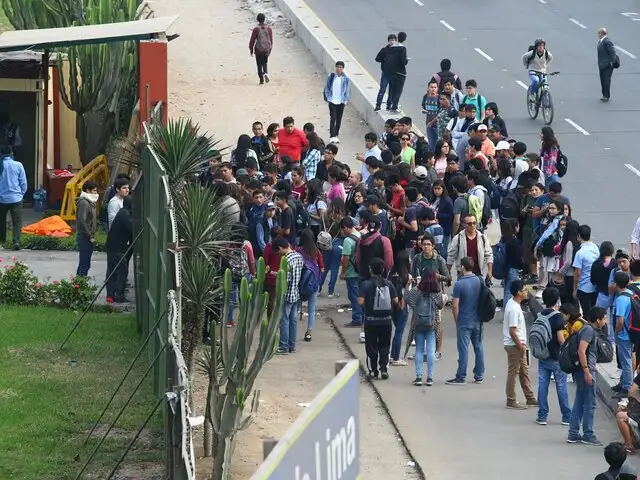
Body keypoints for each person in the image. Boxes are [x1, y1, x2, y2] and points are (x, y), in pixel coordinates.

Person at [567, 306, 608, 446]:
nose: (606, 320)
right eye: (604, 318)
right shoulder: (589, 330)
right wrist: (587, 372)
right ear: (598, 320)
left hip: (584, 370)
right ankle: (588, 434)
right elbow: (581, 351)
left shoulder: (586, 328)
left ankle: (573, 433)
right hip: (585, 371)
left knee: (580, 401)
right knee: (589, 404)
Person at [535, 287, 571, 426]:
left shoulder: (540, 315)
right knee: (561, 386)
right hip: (556, 356)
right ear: (557, 300)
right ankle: (566, 416)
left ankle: (542, 416)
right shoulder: (558, 317)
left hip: (543, 355)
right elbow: (561, 339)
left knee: (542, 385)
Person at [446, 256, 485, 385]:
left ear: (462, 267)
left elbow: (455, 305)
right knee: (478, 347)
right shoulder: (479, 280)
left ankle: (461, 376)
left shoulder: (459, 284)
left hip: (464, 320)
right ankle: (479, 374)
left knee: (463, 349)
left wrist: (457, 320)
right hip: (477, 319)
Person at [358, 257, 398, 380]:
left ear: (370, 270)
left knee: (371, 345)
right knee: (385, 345)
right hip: (386, 320)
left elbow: (360, 301)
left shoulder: (366, 284)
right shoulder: (389, 283)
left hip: (371, 320)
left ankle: (373, 371)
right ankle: (384, 369)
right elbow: (396, 300)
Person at [404, 269, 444, 386]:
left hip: (418, 323)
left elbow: (408, 299)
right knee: (431, 351)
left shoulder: (417, 290)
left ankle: (419, 377)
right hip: (432, 324)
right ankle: (430, 378)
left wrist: (407, 285)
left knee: (419, 350)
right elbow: (441, 305)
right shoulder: (436, 291)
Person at [503, 280, 537, 409]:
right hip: (515, 345)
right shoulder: (513, 309)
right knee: (514, 372)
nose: (526, 292)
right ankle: (511, 399)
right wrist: (520, 346)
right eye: (524, 290)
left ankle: (530, 397)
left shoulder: (515, 305)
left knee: (524, 371)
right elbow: (512, 331)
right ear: (518, 293)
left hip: (518, 344)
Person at [274, 237, 304, 355]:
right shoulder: (298, 256)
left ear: (281, 248)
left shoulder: (286, 260)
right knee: (293, 320)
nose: (278, 253)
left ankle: (283, 346)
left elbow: (285, 280)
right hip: (296, 293)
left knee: (284, 320)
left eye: (278, 251)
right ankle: (292, 345)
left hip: (287, 294)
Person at [297, 229, 323, 343]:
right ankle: (308, 332)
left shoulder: (297, 250)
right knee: (311, 309)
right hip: (313, 284)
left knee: (296, 308)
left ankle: (293, 331)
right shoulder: (316, 251)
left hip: (300, 284)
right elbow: (322, 267)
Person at [106, 195, 132, 303]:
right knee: (122, 271)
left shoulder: (122, 212)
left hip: (112, 246)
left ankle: (110, 295)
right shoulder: (125, 215)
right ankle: (119, 296)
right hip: (117, 248)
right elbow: (131, 229)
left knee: (112, 270)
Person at [0, 143, 26, 250]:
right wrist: (21, 194)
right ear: (11, 153)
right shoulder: (18, 165)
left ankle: (2, 241)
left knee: (1, 221)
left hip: (1, 199)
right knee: (17, 221)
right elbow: (23, 183)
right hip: (16, 198)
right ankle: (16, 241)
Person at [388, 250, 412, 366]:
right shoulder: (406, 276)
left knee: (397, 331)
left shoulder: (391, 274)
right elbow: (406, 294)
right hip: (402, 307)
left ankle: (392, 355)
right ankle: (396, 357)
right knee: (399, 333)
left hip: (392, 306)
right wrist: (408, 286)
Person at [339, 217, 362, 327]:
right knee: (360, 295)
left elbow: (346, 258)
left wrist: (343, 272)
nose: (342, 232)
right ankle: (361, 316)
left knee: (354, 296)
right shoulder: (359, 235)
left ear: (346, 228)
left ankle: (357, 318)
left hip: (351, 272)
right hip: (360, 271)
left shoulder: (347, 240)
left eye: (342, 230)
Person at [324, 61, 351, 144]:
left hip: (341, 101)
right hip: (332, 101)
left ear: (343, 68)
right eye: (337, 67)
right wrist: (328, 97)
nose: (339, 68)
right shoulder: (331, 76)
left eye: (340, 67)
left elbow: (347, 90)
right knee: (333, 118)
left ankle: (336, 135)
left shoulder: (346, 79)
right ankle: (332, 136)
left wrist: (345, 100)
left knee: (339, 119)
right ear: (335, 67)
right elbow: (327, 87)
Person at [76, 181, 99, 277]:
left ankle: (80, 282)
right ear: (87, 190)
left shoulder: (90, 202)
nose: (96, 193)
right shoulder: (84, 203)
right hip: (84, 237)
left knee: (86, 262)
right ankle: (80, 283)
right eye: (94, 191)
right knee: (84, 262)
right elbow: (82, 221)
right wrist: (89, 236)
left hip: (88, 236)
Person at [249, 13, 273, 85]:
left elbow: (252, 40)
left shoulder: (256, 29)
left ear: (257, 20)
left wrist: (251, 49)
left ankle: (261, 80)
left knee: (259, 65)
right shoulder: (269, 28)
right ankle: (265, 73)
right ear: (264, 19)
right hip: (266, 49)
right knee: (265, 62)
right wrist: (270, 49)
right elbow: (271, 40)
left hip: (258, 50)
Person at [597, 27, 617, 102]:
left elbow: (612, 53)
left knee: (606, 80)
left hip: (607, 65)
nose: (598, 34)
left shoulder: (607, 42)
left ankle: (606, 96)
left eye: (599, 33)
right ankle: (604, 95)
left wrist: (611, 62)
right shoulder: (601, 41)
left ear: (602, 33)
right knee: (602, 80)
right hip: (602, 64)